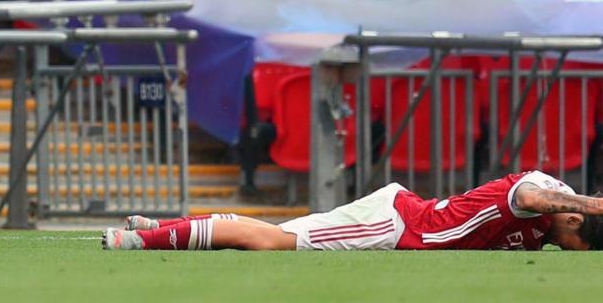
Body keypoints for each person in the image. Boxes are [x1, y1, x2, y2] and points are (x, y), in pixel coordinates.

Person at [104, 171, 603, 251]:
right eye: (574, 243)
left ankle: (161, 227)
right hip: (399, 222)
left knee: (276, 232)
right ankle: (140, 243)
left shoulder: (550, 221)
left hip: (400, 216)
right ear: (576, 218)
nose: (565, 247)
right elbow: (528, 198)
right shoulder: (545, 194)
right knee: (274, 242)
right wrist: (590, 202)